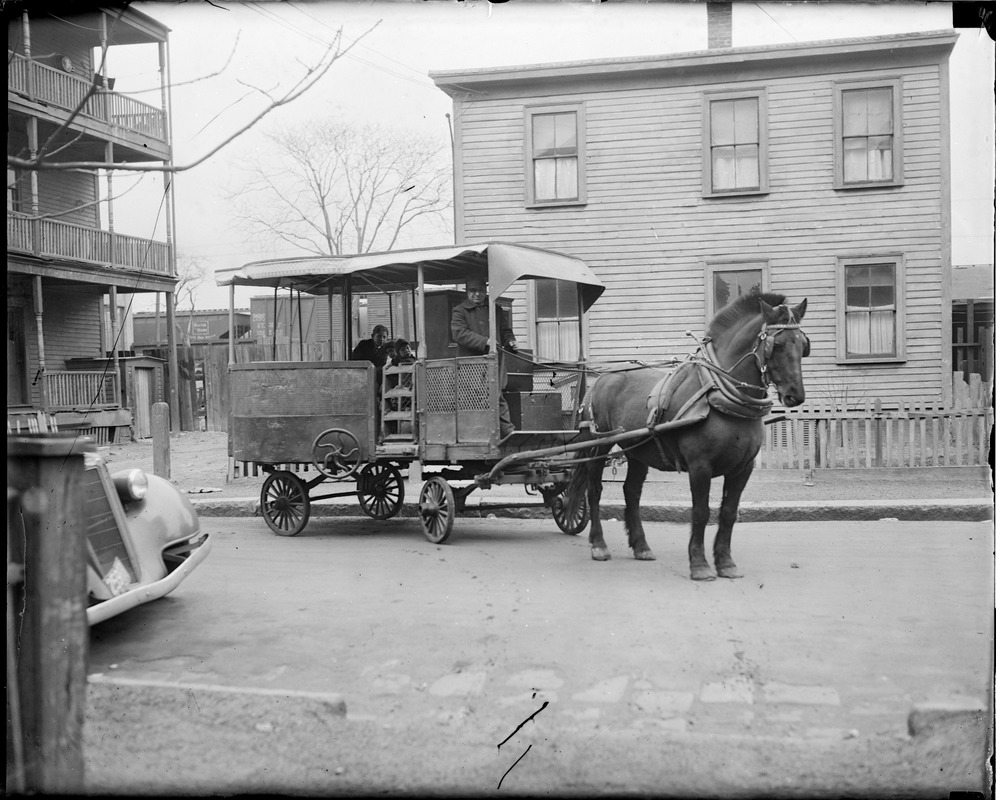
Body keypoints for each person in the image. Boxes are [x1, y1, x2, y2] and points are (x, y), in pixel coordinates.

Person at [450, 275, 519, 439]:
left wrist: (511, 342)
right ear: (467, 292)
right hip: (471, 365)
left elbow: (505, 331)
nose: (477, 295)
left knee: (497, 395)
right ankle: (480, 435)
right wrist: (485, 341)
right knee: (476, 398)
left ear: (485, 290)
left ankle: (508, 433)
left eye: (480, 291)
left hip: (494, 362)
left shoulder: (495, 308)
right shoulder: (459, 311)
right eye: (473, 291)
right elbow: (459, 334)